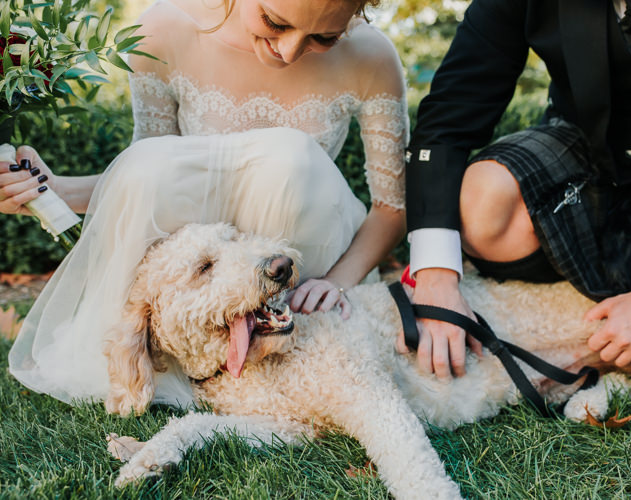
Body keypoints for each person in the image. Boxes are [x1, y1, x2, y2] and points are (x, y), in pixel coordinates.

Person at [1, 0, 408, 407]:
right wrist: (50, 189)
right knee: (151, 163)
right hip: (208, 285)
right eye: (274, 22)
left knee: (290, 158)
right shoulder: (163, 32)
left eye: (325, 37)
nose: (288, 51)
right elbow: (160, 181)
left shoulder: (372, 56)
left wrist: (336, 281)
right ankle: (203, 347)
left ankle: (273, 331)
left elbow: (392, 208)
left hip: (303, 271)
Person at [405, 0, 631, 379]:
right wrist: (436, 273)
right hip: (596, 156)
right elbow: (453, 110)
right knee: (482, 203)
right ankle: (588, 293)